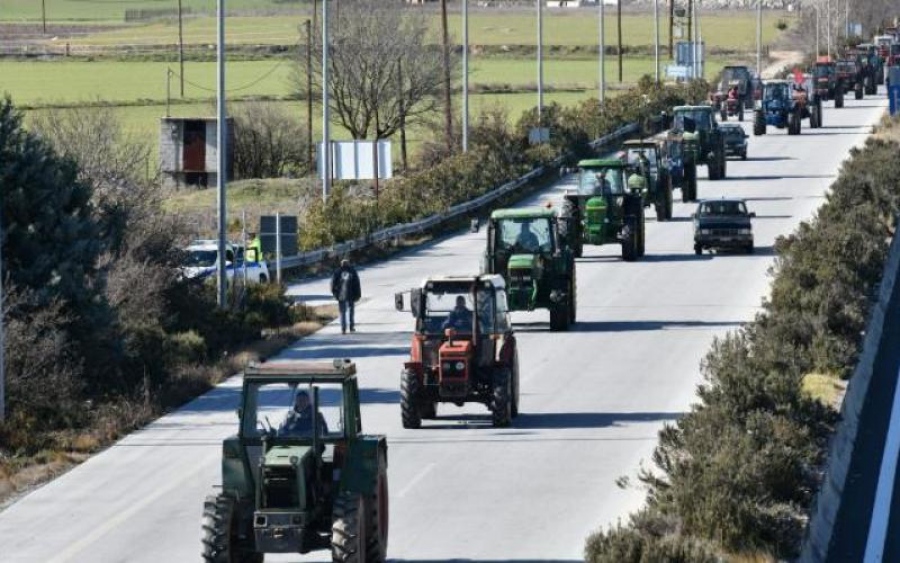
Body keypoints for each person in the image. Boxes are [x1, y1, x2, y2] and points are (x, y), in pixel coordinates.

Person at [331, 258, 362, 334]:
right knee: (351, 311)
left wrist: (335, 294)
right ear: (348, 264)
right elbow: (357, 284)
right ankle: (351, 326)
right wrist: (358, 294)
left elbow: (333, 285)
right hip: (351, 294)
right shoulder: (352, 271)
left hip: (341, 295)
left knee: (342, 312)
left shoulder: (337, 272)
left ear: (341, 264)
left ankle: (343, 328)